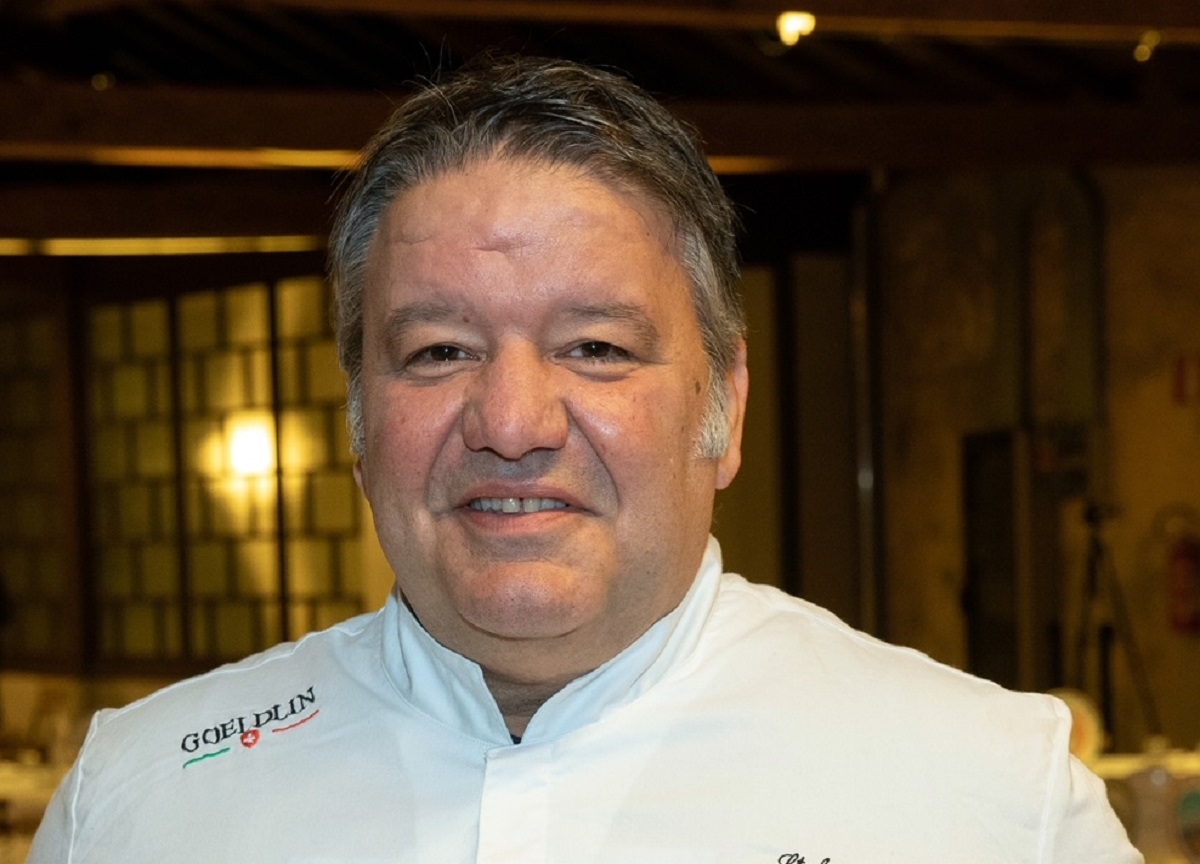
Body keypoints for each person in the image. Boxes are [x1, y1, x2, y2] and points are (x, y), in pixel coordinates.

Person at [29, 55, 1140, 863]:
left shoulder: (995, 801)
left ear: (725, 406)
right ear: (359, 424)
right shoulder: (142, 799)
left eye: (597, 348)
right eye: (439, 350)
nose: (513, 422)